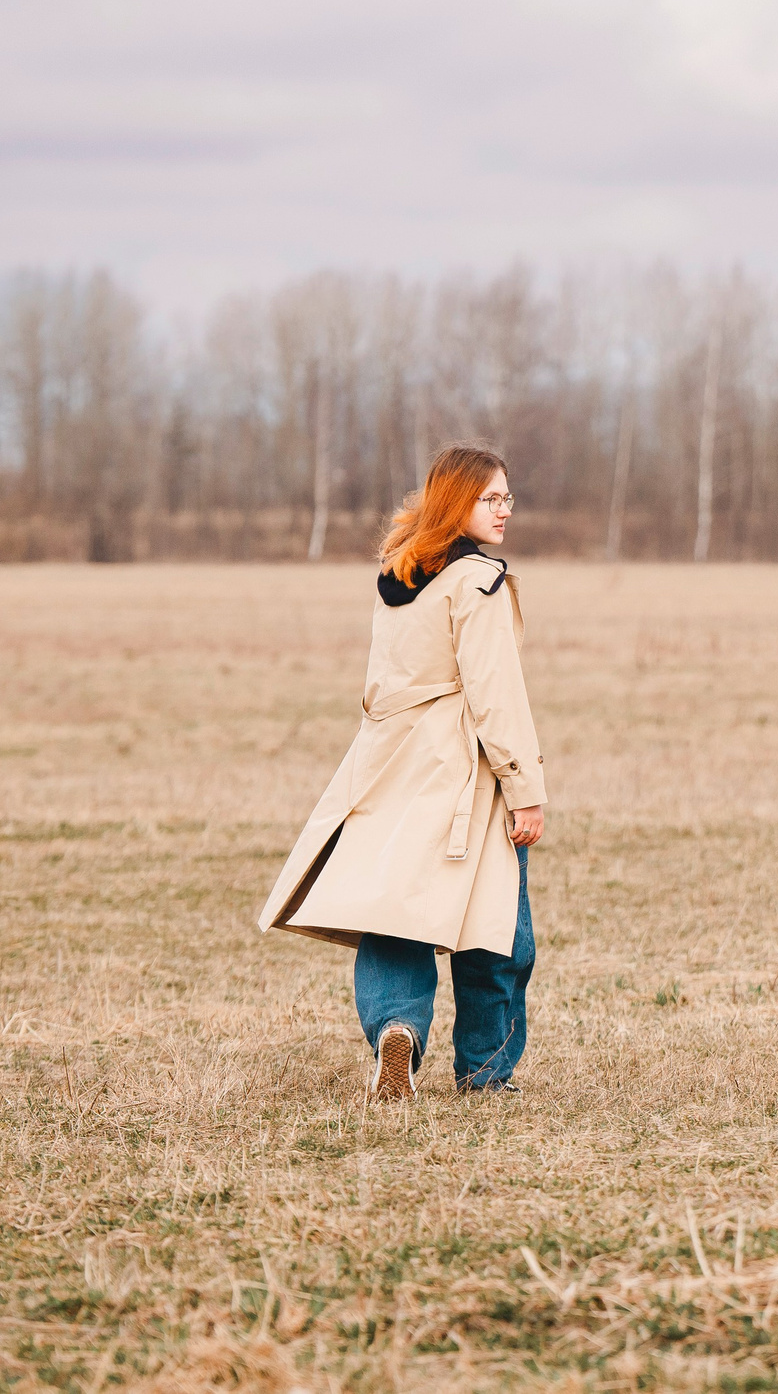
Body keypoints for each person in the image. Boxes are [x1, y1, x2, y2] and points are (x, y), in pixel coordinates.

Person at [256, 442, 547, 1100]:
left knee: (393, 914)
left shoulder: (400, 576)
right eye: (490, 499)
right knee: (496, 928)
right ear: (455, 503)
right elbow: (496, 696)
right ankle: (485, 1073)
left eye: (508, 497)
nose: (505, 510)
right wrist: (524, 790)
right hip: (461, 773)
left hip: (387, 766)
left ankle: (398, 1028)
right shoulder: (480, 584)